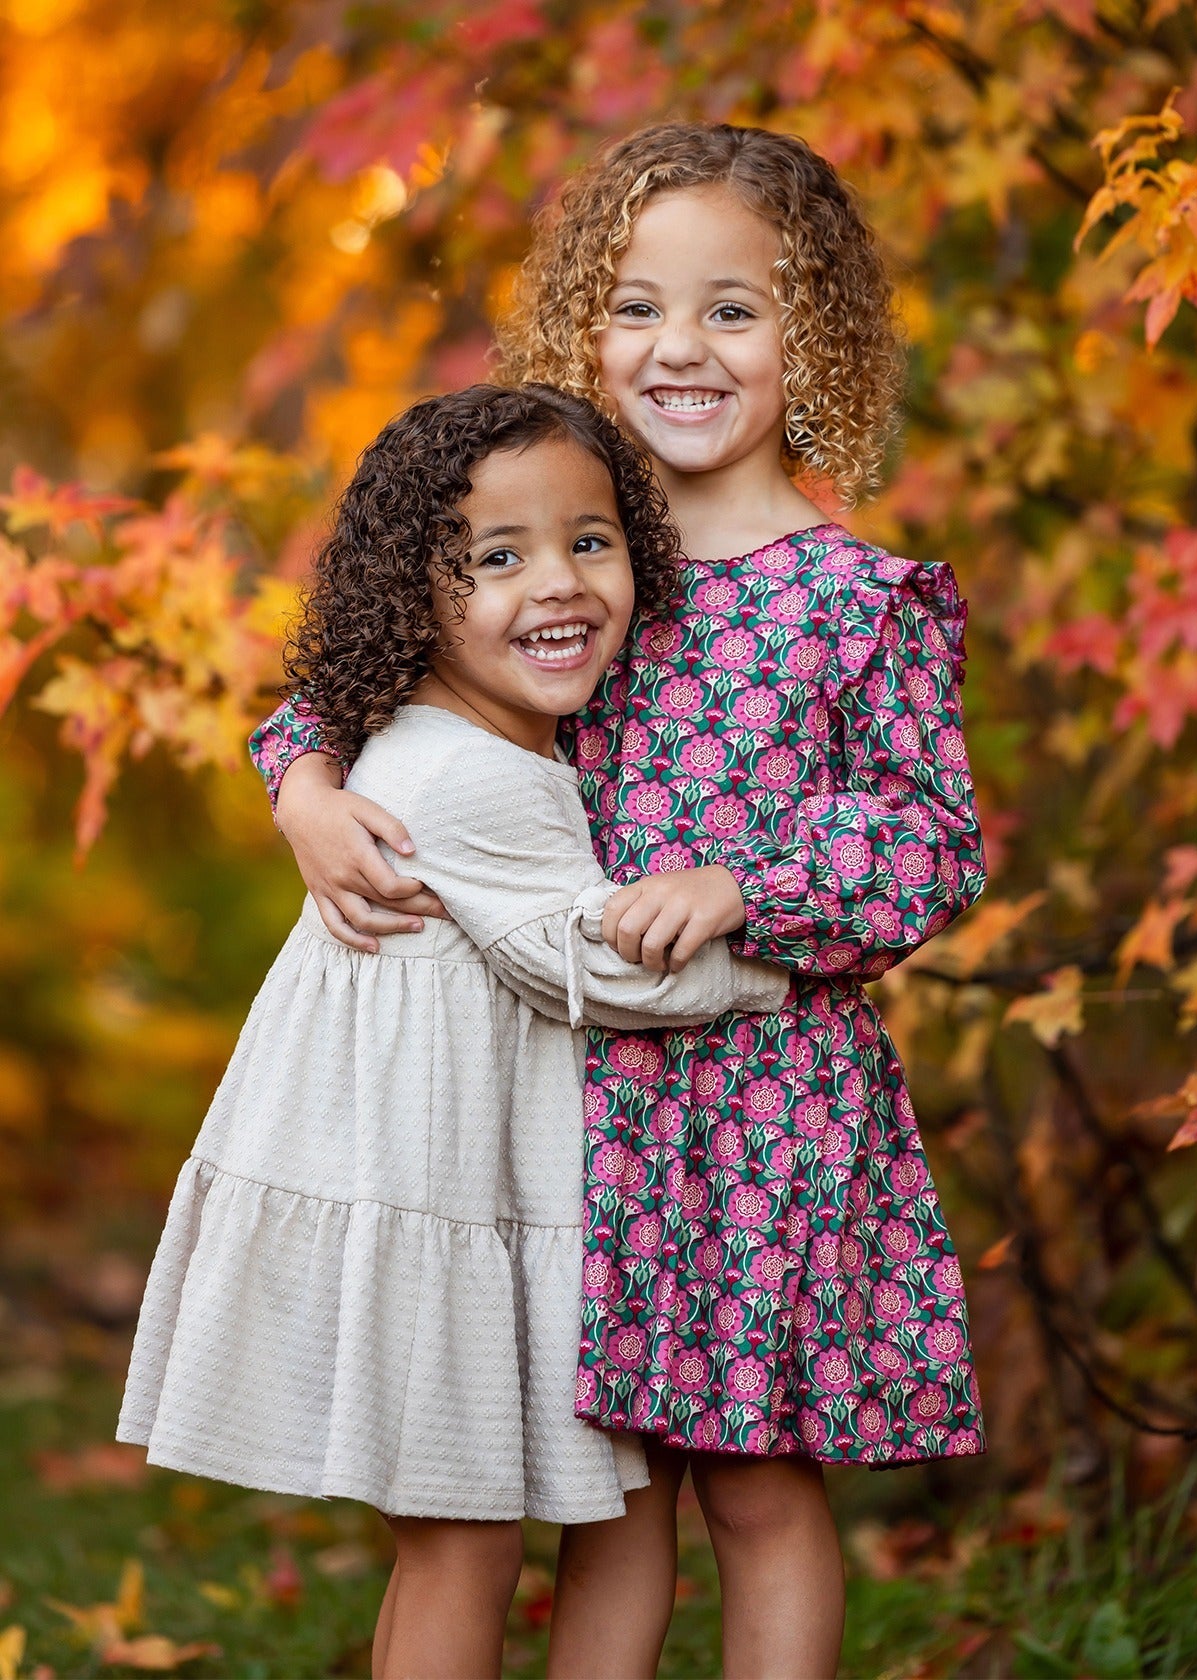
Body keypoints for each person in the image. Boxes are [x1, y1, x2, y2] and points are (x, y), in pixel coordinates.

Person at [250, 123, 989, 1680]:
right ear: (588, 319)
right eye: (641, 303)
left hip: (762, 1110)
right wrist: (305, 788)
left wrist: (745, 884)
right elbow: (366, 667)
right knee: (605, 1503)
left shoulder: (859, 601)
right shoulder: (567, 551)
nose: (682, 346)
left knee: (758, 1488)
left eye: (737, 307)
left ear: (818, 336)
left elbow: (930, 841)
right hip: (551, 1096)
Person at [117, 382, 790, 1680]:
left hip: (418, 1188)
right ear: (409, 599)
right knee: (464, 1548)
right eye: (498, 558)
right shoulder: (470, 777)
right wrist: (773, 964)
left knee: (453, 1545)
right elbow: (604, 970)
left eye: (591, 543)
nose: (560, 583)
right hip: (425, 1212)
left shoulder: (441, 740)